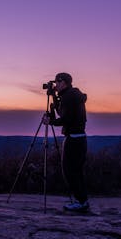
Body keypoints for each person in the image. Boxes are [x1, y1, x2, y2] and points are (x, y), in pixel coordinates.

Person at [43, 72, 90, 212]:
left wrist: (50, 121)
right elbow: (62, 112)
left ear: (64, 82)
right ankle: (82, 200)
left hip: (74, 139)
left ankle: (81, 202)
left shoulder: (69, 97)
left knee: (70, 172)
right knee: (76, 171)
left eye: (57, 82)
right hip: (79, 138)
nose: (55, 85)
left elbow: (65, 119)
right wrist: (54, 96)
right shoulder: (72, 95)